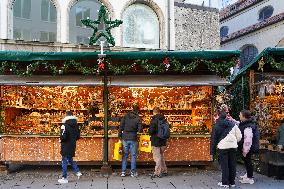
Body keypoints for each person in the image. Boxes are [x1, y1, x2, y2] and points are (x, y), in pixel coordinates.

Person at [211, 111, 242, 188]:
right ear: (226, 117)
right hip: (233, 147)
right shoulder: (233, 124)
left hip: (223, 147)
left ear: (218, 117)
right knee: (232, 164)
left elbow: (214, 140)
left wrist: (212, 152)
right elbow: (239, 136)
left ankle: (225, 183)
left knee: (224, 165)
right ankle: (232, 182)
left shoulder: (216, 126)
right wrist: (235, 141)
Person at [58, 111, 82, 184]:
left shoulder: (64, 125)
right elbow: (78, 136)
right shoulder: (76, 125)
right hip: (72, 145)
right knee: (70, 159)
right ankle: (77, 171)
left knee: (64, 161)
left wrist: (60, 139)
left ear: (66, 116)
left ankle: (64, 177)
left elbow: (63, 136)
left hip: (65, 146)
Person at [119, 104, 142, 177]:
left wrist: (120, 136)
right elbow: (140, 130)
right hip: (133, 138)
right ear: (138, 110)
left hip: (125, 138)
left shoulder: (125, 116)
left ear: (132, 109)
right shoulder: (138, 118)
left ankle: (123, 172)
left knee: (125, 155)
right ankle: (132, 173)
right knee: (133, 156)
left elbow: (121, 126)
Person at [238, 110, 260, 185]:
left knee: (248, 161)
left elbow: (248, 140)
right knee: (247, 161)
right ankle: (248, 174)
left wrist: (245, 150)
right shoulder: (246, 124)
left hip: (248, 147)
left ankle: (250, 178)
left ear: (244, 117)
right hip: (247, 147)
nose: (239, 116)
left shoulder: (248, 126)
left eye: (240, 115)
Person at [149, 107, 169, 178]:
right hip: (163, 141)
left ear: (153, 112)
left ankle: (157, 173)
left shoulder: (154, 120)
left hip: (156, 141)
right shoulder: (164, 119)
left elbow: (151, 131)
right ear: (159, 112)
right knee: (161, 156)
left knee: (157, 158)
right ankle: (164, 171)